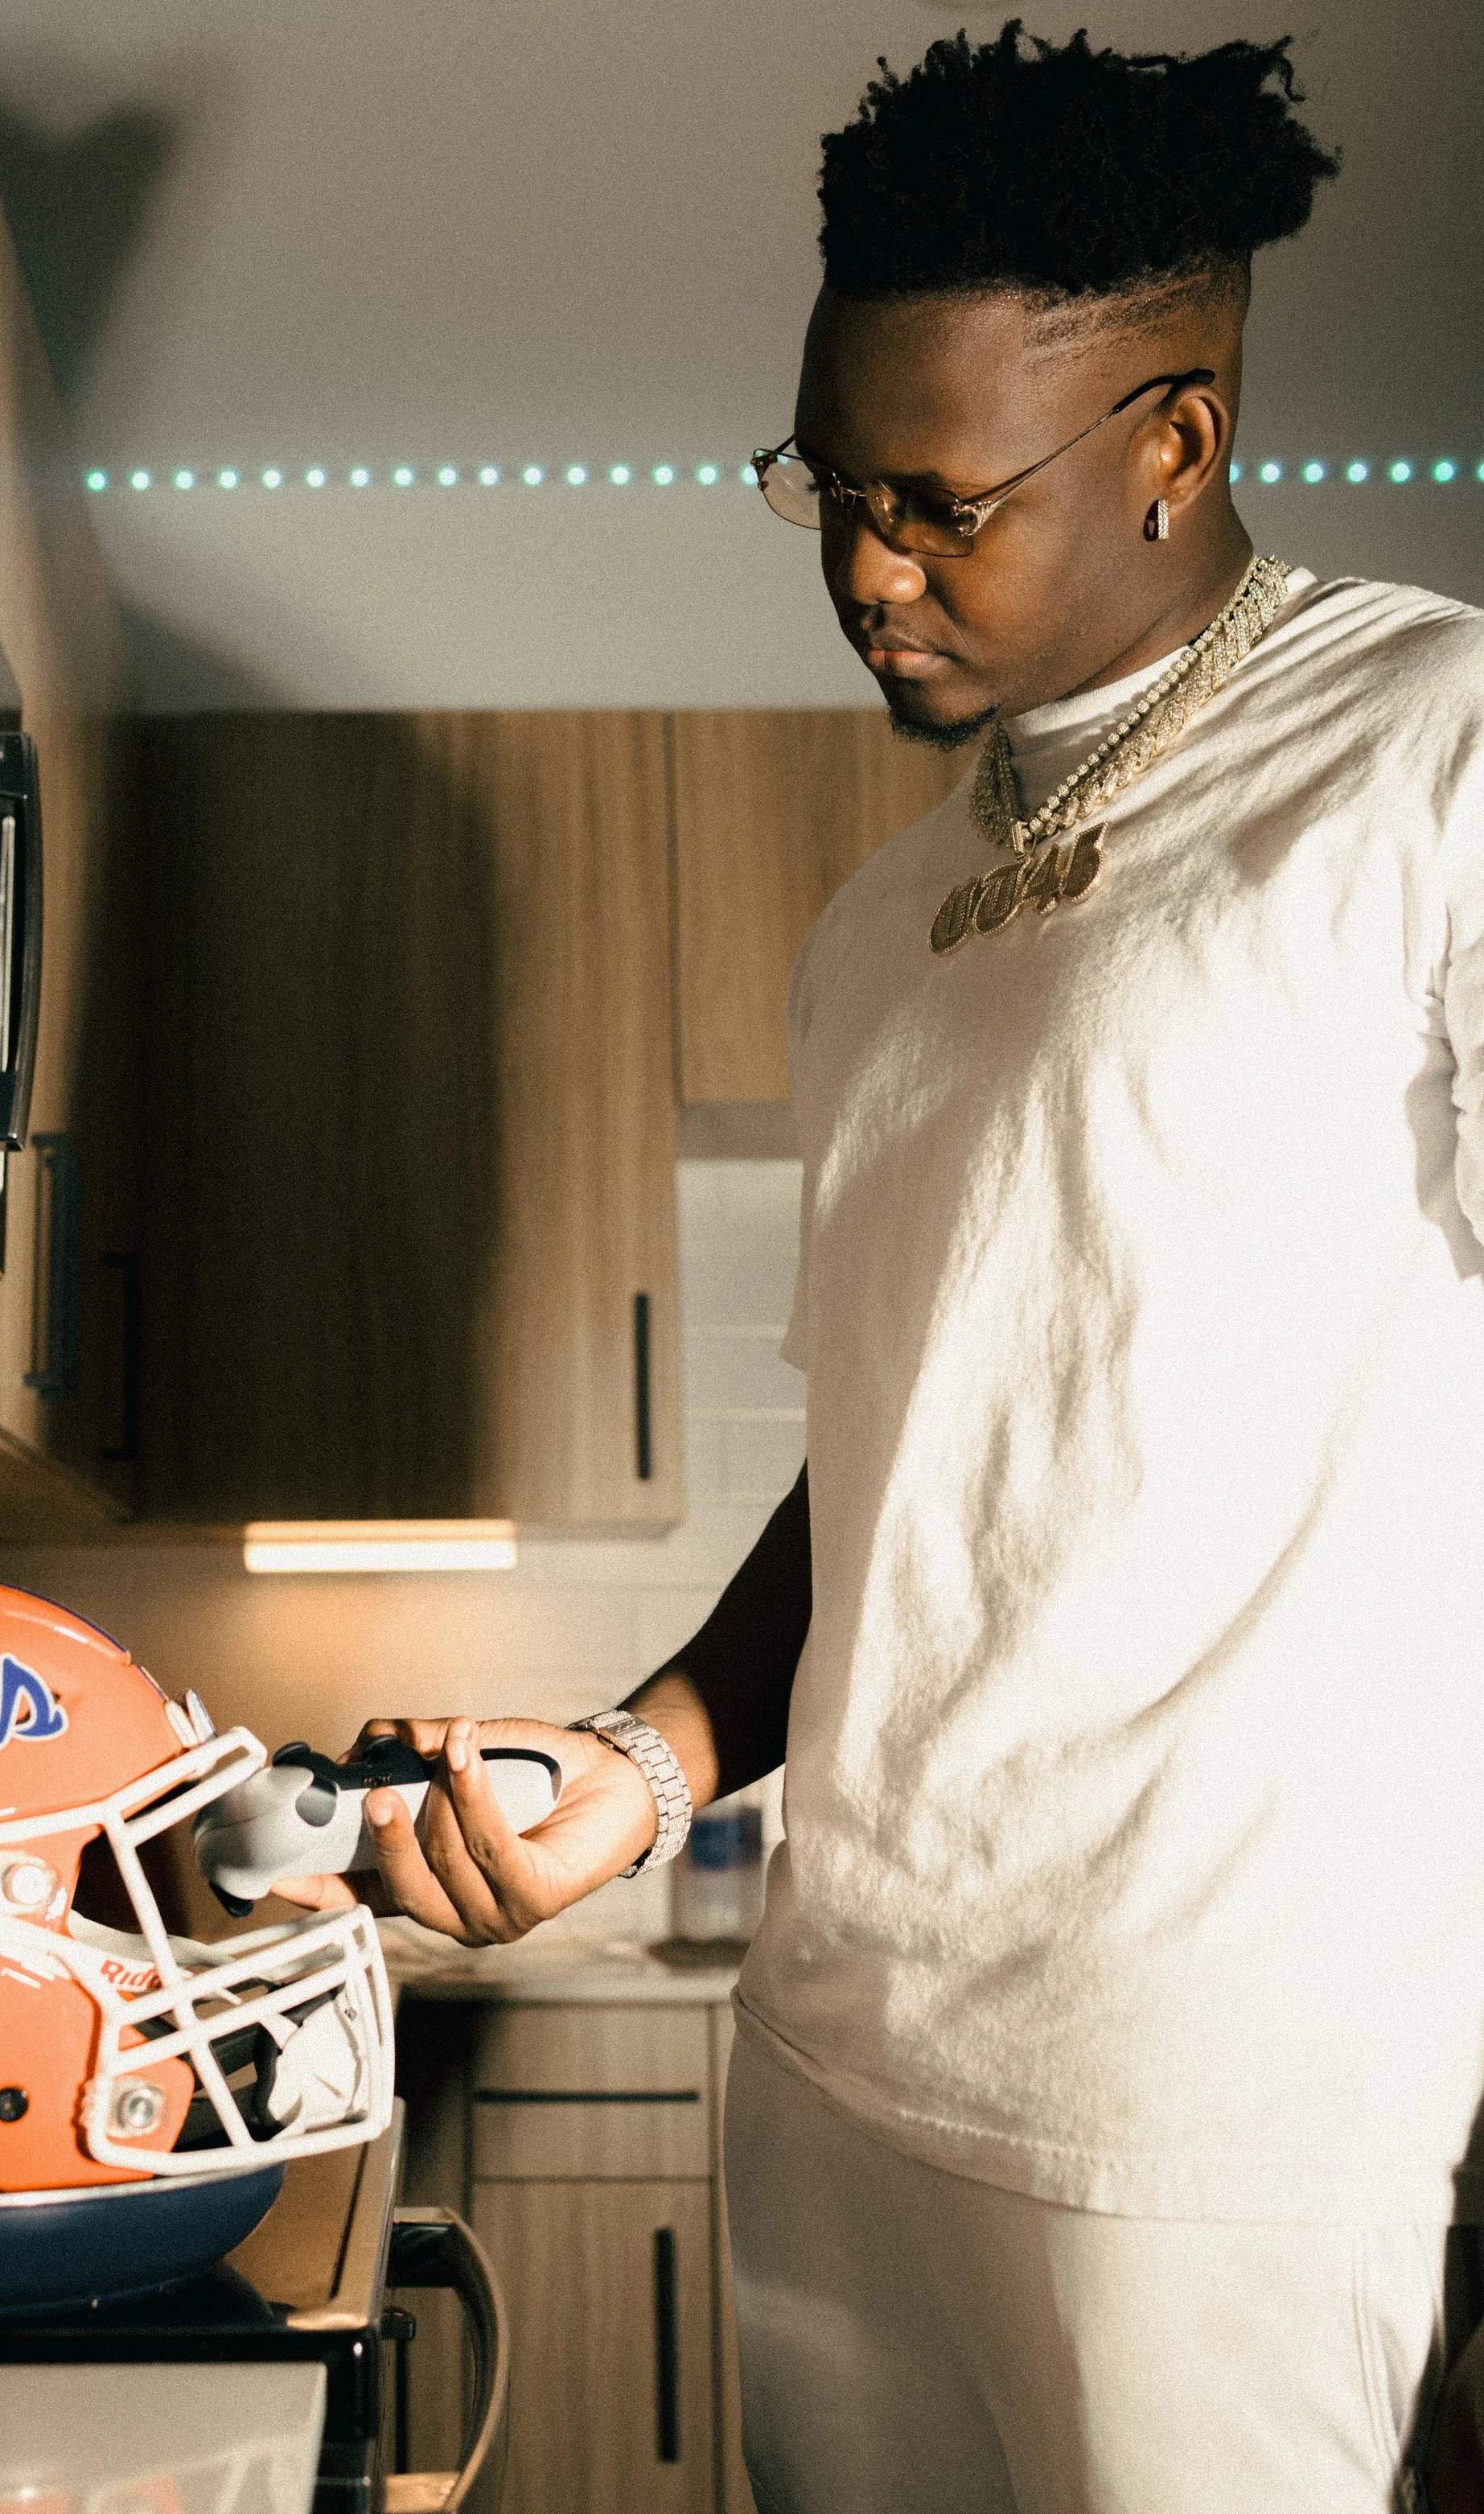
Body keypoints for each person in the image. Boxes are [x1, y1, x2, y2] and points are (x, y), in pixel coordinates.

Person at [277, 25, 1484, 2511]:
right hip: (835, 2060)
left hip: (1217, 2108)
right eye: (823, 489)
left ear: (1175, 431)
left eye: (935, 502)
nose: (859, 566)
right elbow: (892, 1475)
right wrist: (634, 1763)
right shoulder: (872, 930)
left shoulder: (1431, 756)